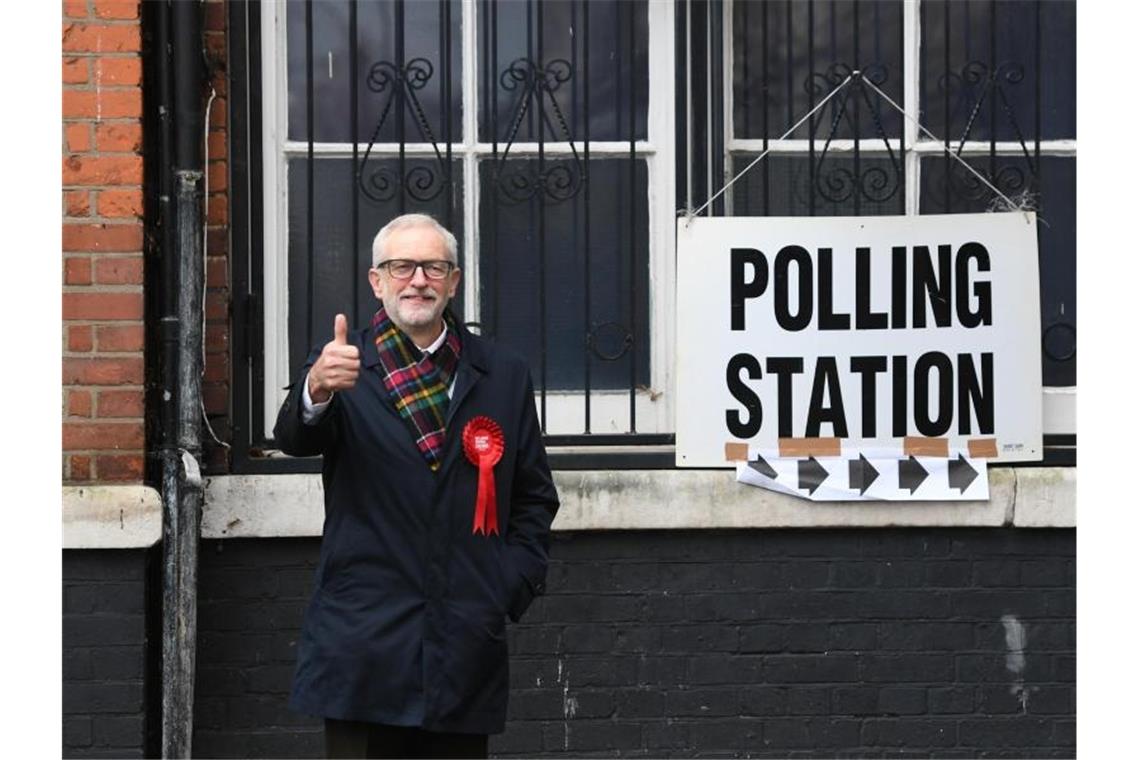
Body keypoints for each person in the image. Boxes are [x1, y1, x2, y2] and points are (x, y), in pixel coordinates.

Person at [274, 213, 560, 759]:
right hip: (364, 646)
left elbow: (533, 495)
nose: (418, 280)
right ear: (376, 281)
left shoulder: (502, 372)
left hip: (463, 642)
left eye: (433, 266)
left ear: (453, 281)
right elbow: (294, 437)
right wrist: (314, 388)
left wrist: (506, 585)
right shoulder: (342, 365)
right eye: (401, 266)